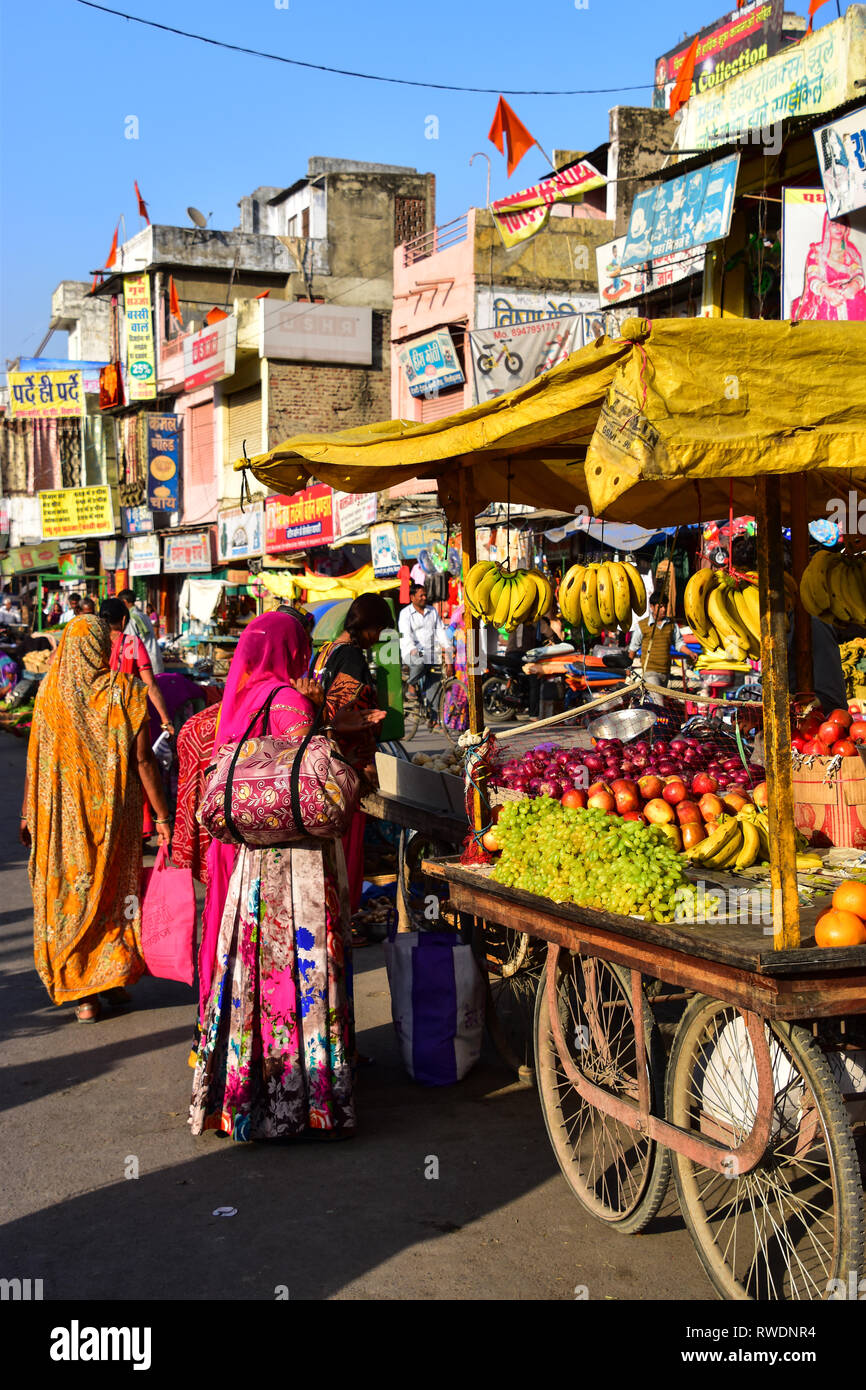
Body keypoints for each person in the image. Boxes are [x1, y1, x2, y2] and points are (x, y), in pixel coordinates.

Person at [190, 610, 356, 1141]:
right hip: (298, 863)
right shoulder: (287, 700)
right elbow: (314, 772)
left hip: (250, 863)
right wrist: (315, 710)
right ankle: (304, 1104)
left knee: (252, 980)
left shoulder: (236, 701)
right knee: (299, 974)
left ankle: (245, 1098)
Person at [20, 616, 171, 1024]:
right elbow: (143, 760)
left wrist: (29, 812)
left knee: (73, 897)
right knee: (110, 893)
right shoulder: (125, 692)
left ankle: (86, 994)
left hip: (63, 822)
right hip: (114, 821)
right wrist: (161, 816)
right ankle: (112, 977)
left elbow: (36, 760)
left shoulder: (49, 693)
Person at [313, 593, 390, 918]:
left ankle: (330, 909)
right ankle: (343, 915)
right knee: (347, 845)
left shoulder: (325, 652)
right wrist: (369, 766)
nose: (379, 638)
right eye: (379, 630)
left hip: (320, 761)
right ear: (368, 628)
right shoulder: (354, 659)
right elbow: (349, 715)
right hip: (346, 766)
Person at [99, 599, 173, 734]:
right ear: (123, 620)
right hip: (129, 715)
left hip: (98, 716)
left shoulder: (92, 644)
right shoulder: (131, 643)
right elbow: (150, 684)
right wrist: (166, 720)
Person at [791, 213, 866, 322]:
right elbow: (813, 279)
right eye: (834, 224)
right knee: (827, 306)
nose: (839, 228)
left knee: (858, 300)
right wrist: (827, 291)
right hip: (824, 295)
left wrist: (854, 286)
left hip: (849, 295)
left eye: (842, 224)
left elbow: (858, 275)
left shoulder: (851, 252)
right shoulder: (817, 251)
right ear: (827, 226)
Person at [398, 583, 453, 715]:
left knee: (434, 686)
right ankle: (411, 684)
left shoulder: (432, 611)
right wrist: (412, 649)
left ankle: (434, 721)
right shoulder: (405, 614)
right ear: (412, 597)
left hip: (431, 653)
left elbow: (440, 631)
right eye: (420, 595)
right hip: (412, 652)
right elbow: (405, 635)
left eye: (425, 595)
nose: (424, 597)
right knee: (420, 661)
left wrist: (448, 647)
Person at [116, 589, 163, 673]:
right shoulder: (143, 616)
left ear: (124, 602)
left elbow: (130, 646)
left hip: (145, 665)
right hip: (155, 660)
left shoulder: (130, 618)